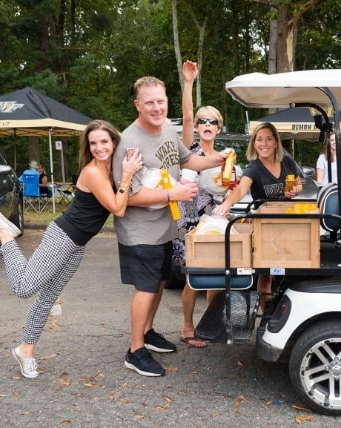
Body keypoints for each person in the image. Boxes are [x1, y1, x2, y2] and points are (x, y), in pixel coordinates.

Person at [0, 120, 143, 379]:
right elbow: (118, 208)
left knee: (47, 298)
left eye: (104, 141)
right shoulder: (94, 172)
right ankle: (5, 234)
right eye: (93, 143)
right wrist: (128, 175)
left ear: (114, 142)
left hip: (77, 244)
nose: (99, 147)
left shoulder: (111, 170)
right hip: (61, 236)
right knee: (23, 288)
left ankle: (25, 350)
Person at [113, 75, 229, 377]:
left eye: (160, 101)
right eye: (149, 102)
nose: (156, 107)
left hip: (164, 226)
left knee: (161, 282)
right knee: (146, 288)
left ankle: (148, 332)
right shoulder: (129, 142)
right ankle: (135, 350)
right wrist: (172, 194)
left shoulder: (166, 129)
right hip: (139, 231)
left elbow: (187, 159)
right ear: (138, 105)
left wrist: (218, 160)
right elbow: (129, 195)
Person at [213, 122, 303, 310]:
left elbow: (299, 184)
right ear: (254, 144)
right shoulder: (254, 168)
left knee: (292, 270)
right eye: (259, 139)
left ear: (276, 142)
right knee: (267, 273)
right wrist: (227, 204)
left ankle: (287, 310)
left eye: (269, 139)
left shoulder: (287, 161)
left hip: (287, 223)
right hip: (266, 227)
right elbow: (241, 189)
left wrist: (295, 190)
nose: (264, 144)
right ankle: (266, 317)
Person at [176, 60, 222, 348]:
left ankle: (208, 324)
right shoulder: (189, 147)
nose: (206, 125)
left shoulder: (223, 157)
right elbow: (187, 116)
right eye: (203, 121)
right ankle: (187, 327)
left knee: (217, 274)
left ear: (219, 128)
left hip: (214, 219)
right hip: (190, 217)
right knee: (194, 276)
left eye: (212, 121)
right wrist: (190, 82)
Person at [315, 132, 341, 199]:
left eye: (337, 140)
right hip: (327, 194)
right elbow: (319, 179)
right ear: (328, 142)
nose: (335, 142)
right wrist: (322, 194)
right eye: (332, 140)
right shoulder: (322, 158)